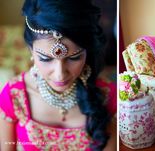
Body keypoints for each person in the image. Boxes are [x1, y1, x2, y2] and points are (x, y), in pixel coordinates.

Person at [0, 0, 117, 150]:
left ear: (87, 51)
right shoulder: (14, 96)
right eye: (46, 59)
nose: (60, 75)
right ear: (31, 50)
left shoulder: (108, 95)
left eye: (74, 57)